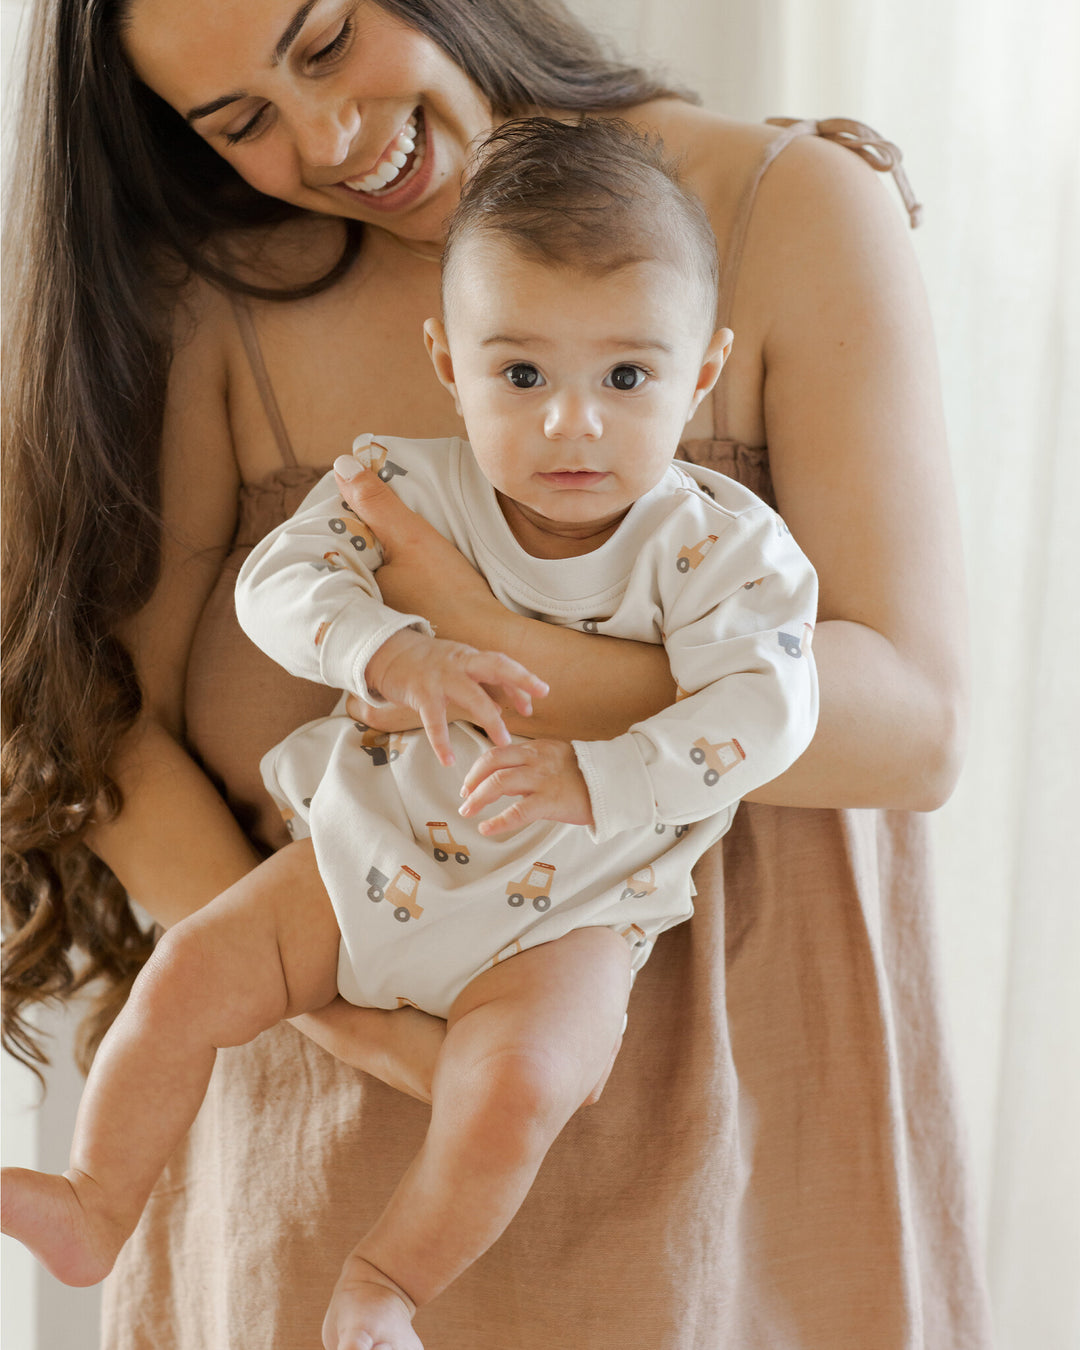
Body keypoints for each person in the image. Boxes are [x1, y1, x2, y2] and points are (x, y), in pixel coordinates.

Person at [0, 0, 993, 1346]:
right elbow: (94, 721)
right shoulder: (215, 306)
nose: (331, 137)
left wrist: (491, 639)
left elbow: (913, 731)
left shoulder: (779, 208)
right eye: (239, 121)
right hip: (313, 1127)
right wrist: (341, 1001)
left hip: (734, 1164)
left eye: (328, 41)